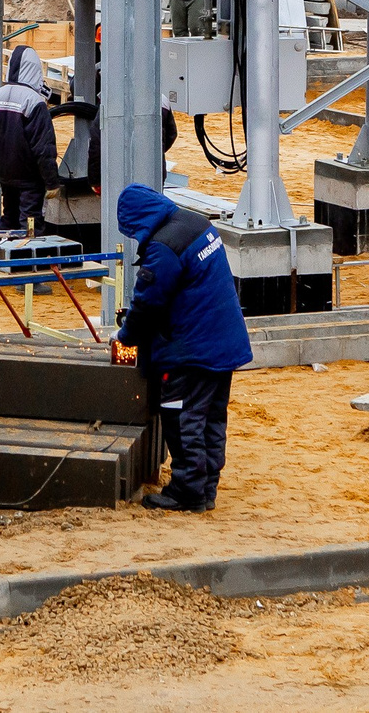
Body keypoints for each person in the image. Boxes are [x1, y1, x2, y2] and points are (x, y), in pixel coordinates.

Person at [115, 183, 252, 512]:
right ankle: (206, 487)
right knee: (212, 418)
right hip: (223, 342)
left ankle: (187, 491)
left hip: (192, 352)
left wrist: (125, 336)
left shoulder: (163, 247)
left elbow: (148, 301)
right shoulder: (195, 223)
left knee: (181, 417)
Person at [0, 46, 60, 232]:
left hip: (5, 177)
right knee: (30, 223)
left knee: (9, 217)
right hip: (29, 179)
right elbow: (43, 148)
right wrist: (52, 182)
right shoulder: (34, 101)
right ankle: (27, 250)